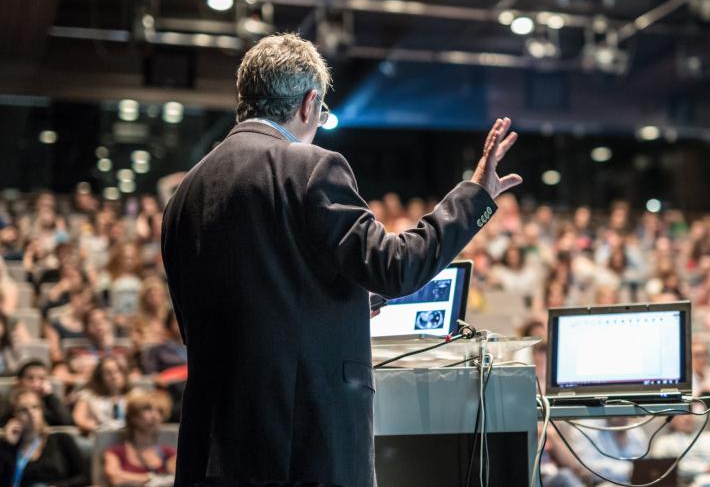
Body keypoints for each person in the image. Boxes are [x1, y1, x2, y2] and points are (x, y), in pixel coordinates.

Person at [161, 33, 521, 487]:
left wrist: (341, 304)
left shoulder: (185, 193)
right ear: (310, 103)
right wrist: (476, 197)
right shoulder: (309, 165)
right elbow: (397, 268)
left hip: (212, 447)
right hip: (301, 442)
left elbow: (231, 311)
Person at [0, 387, 89, 486]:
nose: (31, 413)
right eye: (23, 410)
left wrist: (60, 486)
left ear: (42, 411)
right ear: (14, 417)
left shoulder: (62, 440)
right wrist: (6, 445)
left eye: (35, 407)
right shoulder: (4, 447)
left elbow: (85, 476)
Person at [103, 390, 177, 487]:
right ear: (133, 417)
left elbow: (177, 476)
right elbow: (115, 478)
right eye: (147, 409)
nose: (155, 416)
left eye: (160, 411)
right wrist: (152, 478)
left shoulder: (168, 452)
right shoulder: (116, 451)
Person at [0, 360, 72, 429]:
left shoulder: (49, 401)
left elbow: (67, 423)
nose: (36, 384)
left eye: (41, 379)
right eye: (30, 378)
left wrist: (50, 396)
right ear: (18, 382)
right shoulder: (4, 399)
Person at [73, 355, 131, 435]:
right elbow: (79, 419)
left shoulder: (134, 396)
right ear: (100, 377)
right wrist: (96, 428)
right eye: (108, 373)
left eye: (118, 371)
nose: (114, 376)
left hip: (127, 438)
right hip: (99, 438)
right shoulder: (88, 395)